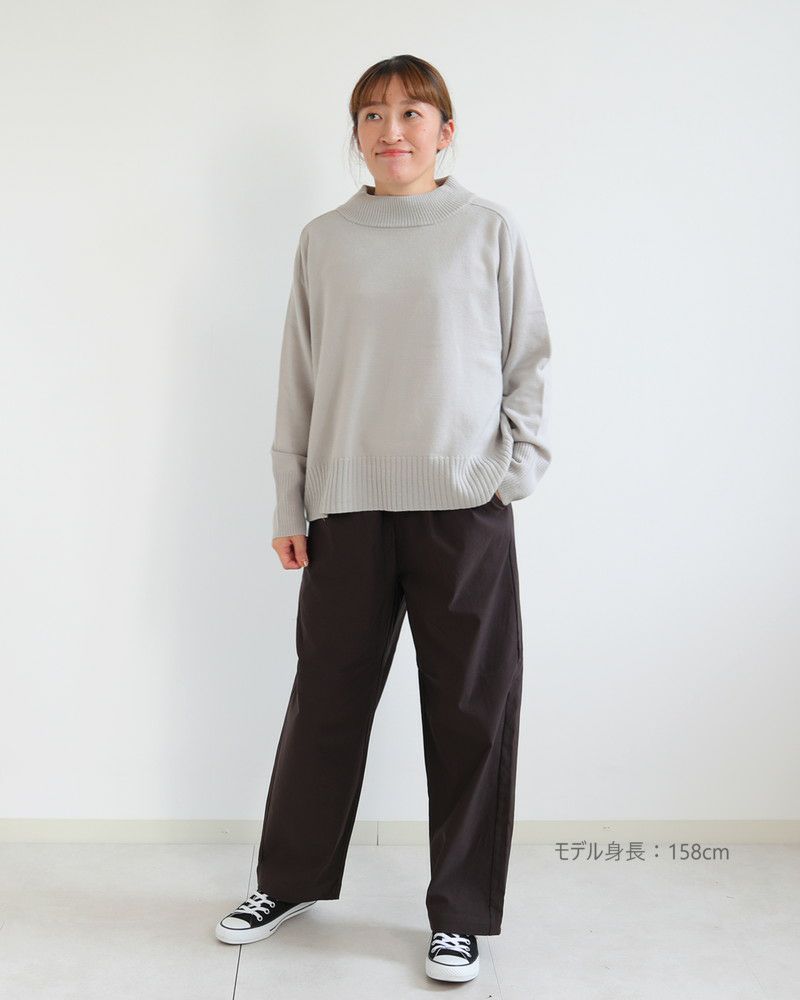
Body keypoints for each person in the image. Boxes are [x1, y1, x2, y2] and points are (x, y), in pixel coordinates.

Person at [215, 53, 552, 984]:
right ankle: (287, 881)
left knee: (472, 711)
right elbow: (300, 375)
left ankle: (460, 915)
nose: (390, 130)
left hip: (463, 507)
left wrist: (512, 473)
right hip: (348, 507)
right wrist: (290, 497)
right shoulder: (325, 240)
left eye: (411, 112)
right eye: (371, 114)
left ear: (446, 130)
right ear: (356, 133)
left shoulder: (486, 229)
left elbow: (528, 359)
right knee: (327, 700)